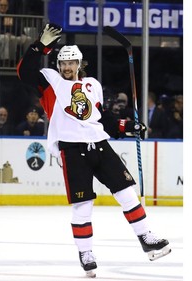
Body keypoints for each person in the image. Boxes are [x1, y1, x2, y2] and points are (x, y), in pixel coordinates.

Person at [16, 23, 171, 277]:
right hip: (72, 150)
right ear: (58, 65)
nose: (67, 68)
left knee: (127, 193)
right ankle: (86, 253)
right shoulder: (50, 82)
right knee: (83, 204)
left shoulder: (92, 85)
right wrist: (39, 46)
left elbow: (104, 119)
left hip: (100, 146)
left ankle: (146, 238)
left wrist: (127, 125)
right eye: (63, 63)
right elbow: (24, 72)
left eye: (72, 63)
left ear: (79, 64)